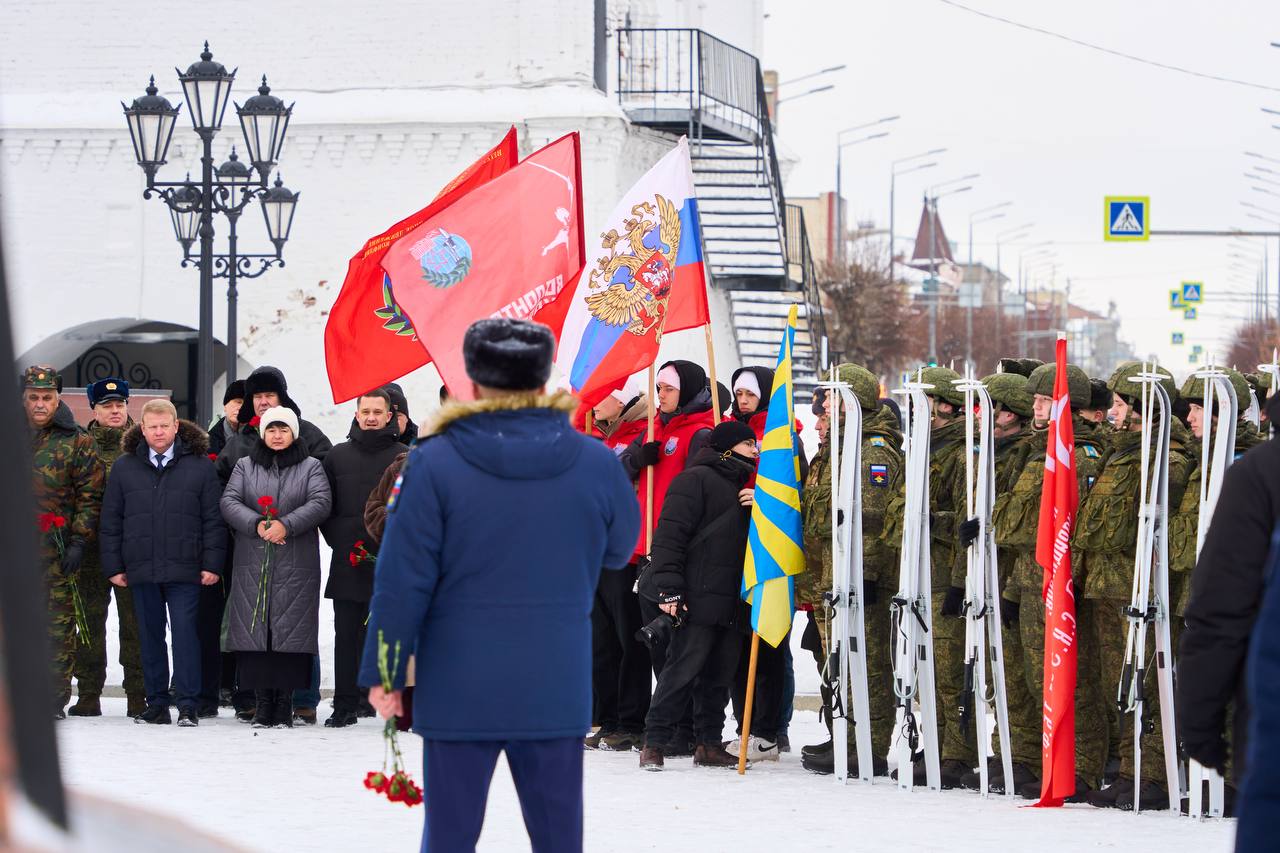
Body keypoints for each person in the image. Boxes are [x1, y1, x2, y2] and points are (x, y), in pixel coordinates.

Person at [360, 319, 639, 853]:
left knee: (449, 836)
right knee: (558, 837)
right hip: (554, 677)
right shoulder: (597, 463)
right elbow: (619, 550)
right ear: (541, 379)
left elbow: (401, 579)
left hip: (457, 679)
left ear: (475, 381)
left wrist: (387, 669)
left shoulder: (431, 463)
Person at [1077, 362, 1191, 810]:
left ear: (1144, 408)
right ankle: (1130, 770)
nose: (1113, 412)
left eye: (1122, 404)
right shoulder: (1119, 453)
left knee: (1148, 683)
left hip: (1141, 587)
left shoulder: (1169, 457)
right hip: (1108, 586)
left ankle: (1156, 775)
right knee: (1118, 685)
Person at [797, 363, 902, 777]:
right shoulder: (838, 447)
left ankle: (868, 748)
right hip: (833, 576)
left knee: (869, 663)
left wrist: (870, 575)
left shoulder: (871, 449)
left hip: (861, 579)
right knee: (838, 662)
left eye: (835, 397)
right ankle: (846, 735)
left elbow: (872, 521)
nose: (825, 404)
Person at [1177, 402, 1280, 813]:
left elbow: (1221, 607)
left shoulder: (1261, 473)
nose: (1189, 418)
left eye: (1199, 407)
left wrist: (1199, 718)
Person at [638, 420, 758, 770]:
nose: (755, 450)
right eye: (749, 444)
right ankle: (654, 742)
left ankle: (709, 743)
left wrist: (761, 508)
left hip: (731, 599)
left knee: (719, 677)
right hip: (695, 598)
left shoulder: (743, 486)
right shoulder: (694, 480)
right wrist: (670, 591)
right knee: (681, 671)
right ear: (727, 448)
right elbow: (669, 539)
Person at [98, 399, 225, 727]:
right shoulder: (125, 467)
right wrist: (113, 565)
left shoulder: (199, 466)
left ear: (175, 427)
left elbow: (213, 519)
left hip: (186, 568)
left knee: (185, 635)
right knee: (149, 636)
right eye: (152, 427)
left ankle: (187, 704)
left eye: (164, 426)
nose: (158, 432)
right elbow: (112, 519)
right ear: (142, 428)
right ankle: (156, 703)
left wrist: (212, 563)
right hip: (141, 567)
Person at [216, 365, 331, 723]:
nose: (277, 434)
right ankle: (262, 702)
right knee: (256, 629)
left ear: (294, 432)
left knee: (291, 630)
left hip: (294, 556)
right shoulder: (245, 464)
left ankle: (288, 702)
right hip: (253, 553)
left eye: (283, 428)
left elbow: (321, 501)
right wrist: (257, 524)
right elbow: (229, 500)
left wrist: (286, 525)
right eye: (271, 429)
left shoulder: (310, 464)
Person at [618, 359, 717, 757]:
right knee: (656, 641)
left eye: (668, 389)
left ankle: (690, 726)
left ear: (688, 390)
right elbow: (621, 472)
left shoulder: (700, 433)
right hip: (646, 549)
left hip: (677, 550)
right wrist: (637, 459)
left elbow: (700, 489)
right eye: (658, 388)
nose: (660, 396)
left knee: (680, 645)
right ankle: (674, 724)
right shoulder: (654, 429)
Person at [319, 388, 404, 728]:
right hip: (348, 558)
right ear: (356, 415)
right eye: (364, 411)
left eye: (377, 411)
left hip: (391, 559)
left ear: (389, 416)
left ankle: (386, 703)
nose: (370, 417)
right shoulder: (337, 457)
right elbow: (325, 507)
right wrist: (341, 541)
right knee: (346, 633)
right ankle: (344, 704)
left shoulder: (404, 456)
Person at [24, 365, 104, 718]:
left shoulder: (77, 441)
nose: (40, 404)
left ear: (58, 399)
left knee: (58, 625)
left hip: (56, 552)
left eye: (47, 397)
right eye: (33, 398)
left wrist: (78, 542)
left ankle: (54, 699)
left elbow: (90, 496)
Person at [69, 377, 145, 718]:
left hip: (131, 550)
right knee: (88, 622)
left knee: (136, 624)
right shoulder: (80, 445)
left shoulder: (142, 445)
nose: (115, 411)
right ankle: (88, 691)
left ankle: (137, 693)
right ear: (94, 409)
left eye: (119, 404)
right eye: (107, 406)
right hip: (89, 550)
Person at [585, 377, 652, 752]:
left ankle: (631, 721)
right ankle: (608, 718)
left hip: (625, 554)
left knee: (630, 642)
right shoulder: (609, 435)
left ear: (623, 399)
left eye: (602, 395)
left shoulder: (645, 432)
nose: (593, 402)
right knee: (602, 643)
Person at [208, 380, 246, 457]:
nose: (240, 408)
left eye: (246, 404)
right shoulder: (207, 442)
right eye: (238, 402)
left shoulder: (260, 438)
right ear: (225, 406)